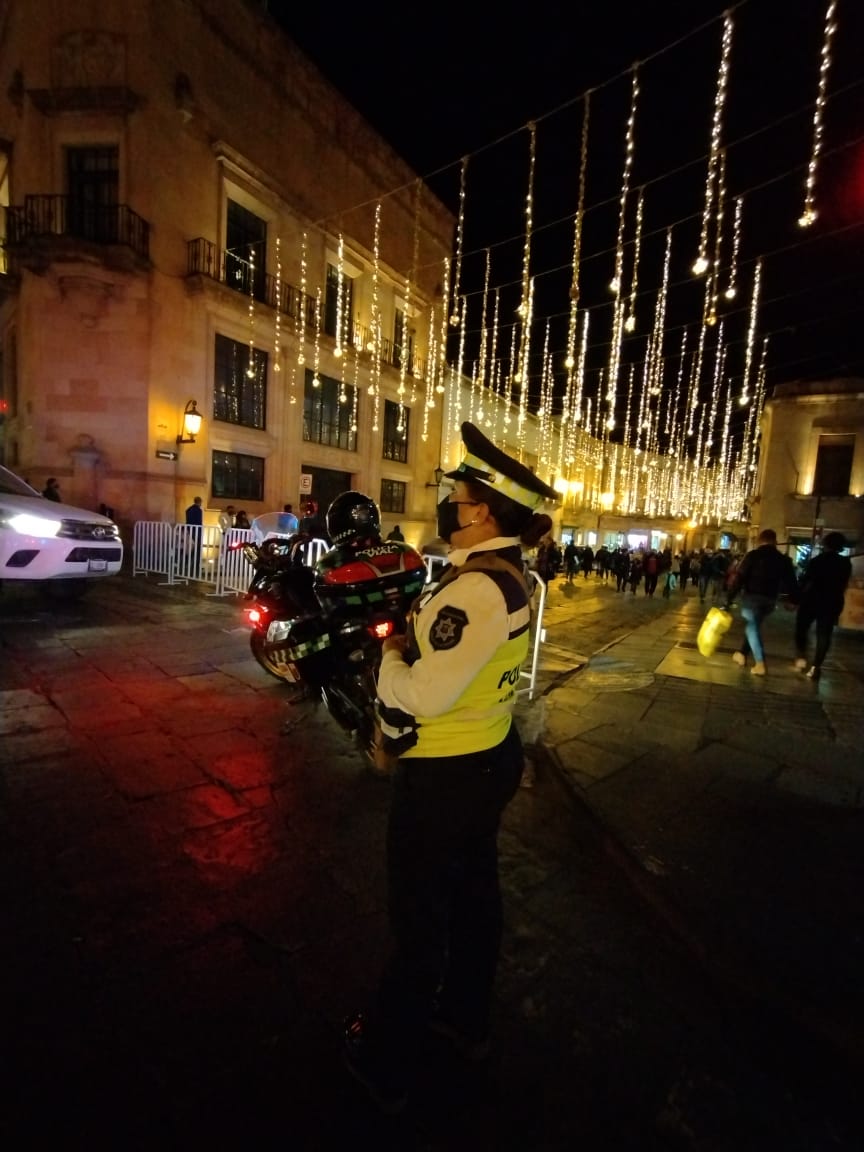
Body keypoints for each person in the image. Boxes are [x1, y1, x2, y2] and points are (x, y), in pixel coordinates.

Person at [343, 420, 559, 1112]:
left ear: (485, 512)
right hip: (484, 758)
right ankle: (463, 1020)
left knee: (420, 919)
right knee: (472, 902)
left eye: (456, 497)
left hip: (444, 775)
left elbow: (428, 693)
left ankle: (387, 1057)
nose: (447, 505)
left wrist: (390, 663)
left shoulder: (475, 590)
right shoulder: (504, 576)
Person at [725, 528, 798, 676]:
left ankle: (760, 663)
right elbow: (791, 581)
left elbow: (740, 578)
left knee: (752, 627)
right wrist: (793, 600)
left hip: (752, 597)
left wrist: (730, 598)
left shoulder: (752, 556)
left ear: (760, 540)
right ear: (775, 541)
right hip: (770, 600)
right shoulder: (783, 559)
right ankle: (742, 654)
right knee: (754, 625)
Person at [793, 532, 852, 681]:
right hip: (832, 601)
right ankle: (816, 666)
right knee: (824, 634)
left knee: (802, 628)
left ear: (825, 544)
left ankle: (801, 656)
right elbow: (844, 583)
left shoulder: (817, 561)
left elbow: (807, 582)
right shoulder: (845, 563)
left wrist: (796, 598)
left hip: (812, 600)